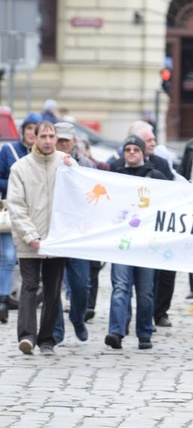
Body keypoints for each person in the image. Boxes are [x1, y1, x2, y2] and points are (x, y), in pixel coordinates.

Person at [7, 121, 75, 355]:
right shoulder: (20, 168)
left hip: (56, 241)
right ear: (34, 138)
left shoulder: (66, 164)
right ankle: (26, 336)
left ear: (57, 139)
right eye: (43, 136)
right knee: (29, 286)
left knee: (53, 291)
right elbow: (16, 206)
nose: (47, 140)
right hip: (30, 242)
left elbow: (79, 197)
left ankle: (47, 339)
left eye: (51, 136)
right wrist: (30, 235)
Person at [105, 135, 168, 350]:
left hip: (147, 243)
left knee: (145, 291)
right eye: (128, 149)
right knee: (120, 287)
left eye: (135, 149)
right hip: (122, 243)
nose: (131, 152)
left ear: (143, 153)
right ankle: (116, 330)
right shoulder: (116, 176)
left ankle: (144, 333)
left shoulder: (156, 176)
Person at [52, 122, 96, 344]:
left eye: (65, 140)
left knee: (81, 284)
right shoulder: (46, 164)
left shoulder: (86, 164)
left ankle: (77, 318)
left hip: (79, 234)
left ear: (74, 142)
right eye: (58, 140)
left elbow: (97, 196)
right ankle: (57, 330)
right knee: (53, 284)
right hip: (53, 232)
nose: (62, 144)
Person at [0, 112, 41, 323]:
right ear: (23, 130)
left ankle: (27, 296)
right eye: (29, 128)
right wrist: (14, 185)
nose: (32, 133)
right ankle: (3, 300)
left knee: (25, 258)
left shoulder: (42, 156)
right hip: (11, 211)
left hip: (35, 213)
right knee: (8, 256)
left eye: (37, 129)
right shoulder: (8, 151)